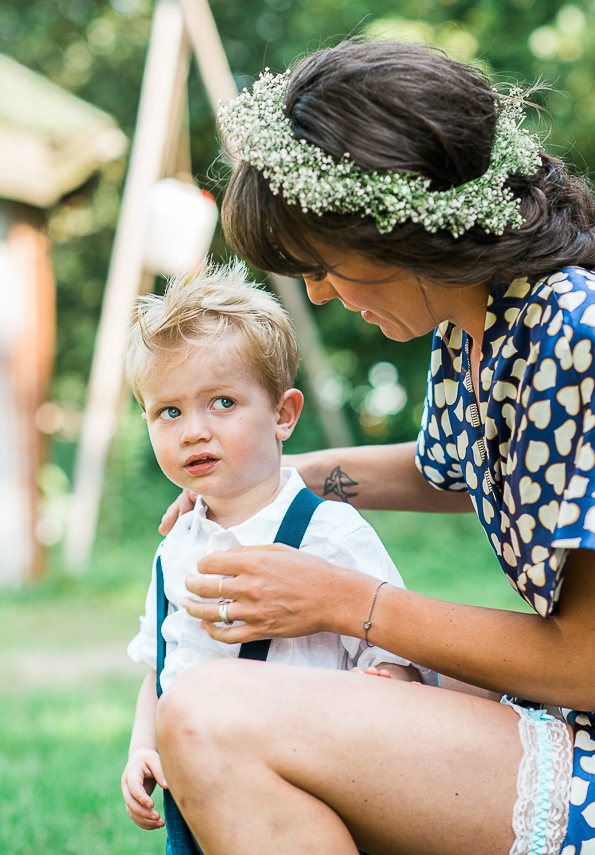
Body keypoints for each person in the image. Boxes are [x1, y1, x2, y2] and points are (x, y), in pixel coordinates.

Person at [155, 41, 595, 855]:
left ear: (403, 227)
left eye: (322, 264)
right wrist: (273, 478)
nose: (316, 292)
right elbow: (449, 471)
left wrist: (345, 602)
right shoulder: (485, 323)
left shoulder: (584, 324)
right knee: (290, 690)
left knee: (213, 718)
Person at [119, 260, 428, 839]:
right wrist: (143, 747)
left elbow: (395, 665)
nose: (193, 431)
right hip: (196, 794)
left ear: (283, 414)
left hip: (307, 797)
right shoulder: (176, 548)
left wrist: (373, 700)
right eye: (169, 411)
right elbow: (162, 667)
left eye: (223, 403)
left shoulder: (330, 533)